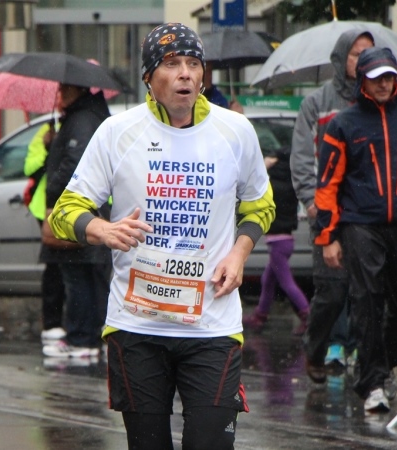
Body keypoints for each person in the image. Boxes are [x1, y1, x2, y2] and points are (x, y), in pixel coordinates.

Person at [48, 22, 275, 449]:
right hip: (136, 326)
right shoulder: (118, 132)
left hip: (211, 324)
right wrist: (102, 229)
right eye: (171, 63)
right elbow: (64, 212)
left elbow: (260, 205)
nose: (185, 73)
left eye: (193, 63)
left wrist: (239, 253)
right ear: (149, 77)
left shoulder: (235, 131)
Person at [315, 47, 397, 413]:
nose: (384, 84)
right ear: (362, 81)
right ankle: (372, 382)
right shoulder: (344, 123)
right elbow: (327, 184)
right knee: (367, 301)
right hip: (361, 224)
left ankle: (384, 364)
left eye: (389, 77)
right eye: (376, 78)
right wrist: (328, 237)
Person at [290, 29, 374, 381]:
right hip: (328, 214)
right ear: (341, 59)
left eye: (368, 53)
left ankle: (366, 361)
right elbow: (301, 157)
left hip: (366, 215)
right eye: (356, 54)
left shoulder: (377, 102)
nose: (362, 60)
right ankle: (316, 348)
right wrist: (311, 202)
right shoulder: (317, 103)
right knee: (332, 291)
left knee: (367, 292)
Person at [40, 85, 112, 359]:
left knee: (78, 275)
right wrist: (52, 144)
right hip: (88, 210)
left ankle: (81, 339)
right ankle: (89, 338)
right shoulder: (84, 117)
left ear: (74, 90)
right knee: (86, 276)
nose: (58, 95)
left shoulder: (81, 120)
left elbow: (74, 164)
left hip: (77, 210)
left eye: (62, 89)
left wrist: (52, 193)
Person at [243, 146, 310, 335]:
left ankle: (308, 316)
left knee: (286, 282)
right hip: (286, 240)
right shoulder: (290, 182)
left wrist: (263, 166)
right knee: (268, 279)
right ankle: (260, 315)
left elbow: (252, 184)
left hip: (277, 242)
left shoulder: (269, 183)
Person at [24, 113, 67, 345]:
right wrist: (49, 148)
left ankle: (67, 320)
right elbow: (29, 168)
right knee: (54, 266)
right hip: (46, 209)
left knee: (73, 269)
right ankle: (52, 322)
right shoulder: (44, 132)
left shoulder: (83, 127)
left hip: (72, 206)